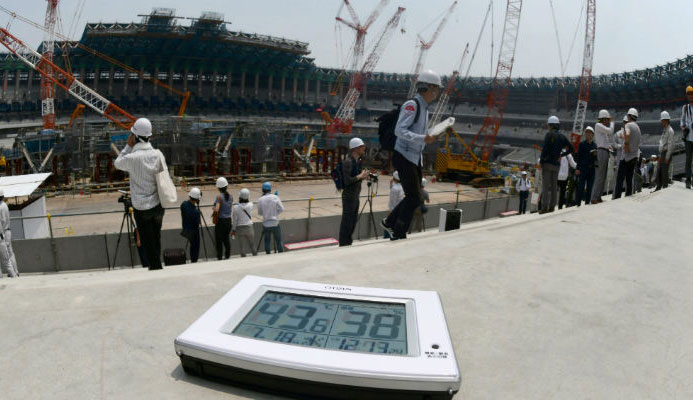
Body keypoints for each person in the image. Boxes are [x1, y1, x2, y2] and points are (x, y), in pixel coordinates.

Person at [381, 69, 441, 239]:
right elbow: (400, 130)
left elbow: (420, 132)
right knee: (414, 197)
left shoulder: (425, 108)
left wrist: (432, 135)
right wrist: (424, 138)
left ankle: (391, 224)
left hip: (414, 157)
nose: (437, 93)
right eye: (436, 88)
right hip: (404, 155)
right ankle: (397, 230)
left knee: (415, 196)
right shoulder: (413, 105)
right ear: (429, 87)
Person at [114, 117, 165, 270]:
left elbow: (117, 163)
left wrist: (128, 146)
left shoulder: (131, 158)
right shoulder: (157, 154)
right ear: (149, 136)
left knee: (147, 243)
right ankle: (158, 267)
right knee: (156, 239)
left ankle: (155, 270)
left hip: (141, 208)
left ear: (135, 137)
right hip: (158, 205)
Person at [338, 138, 369, 246]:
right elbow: (346, 181)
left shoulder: (357, 162)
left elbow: (355, 178)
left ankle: (348, 242)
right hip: (349, 196)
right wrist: (360, 176)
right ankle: (344, 243)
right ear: (356, 148)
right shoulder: (348, 162)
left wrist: (363, 177)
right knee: (347, 221)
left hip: (355, 196)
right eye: (362, 147)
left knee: (352, 221)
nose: (364, 149)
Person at [539, 116, 571, 213]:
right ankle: (552, 207)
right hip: (557, 165)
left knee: (545, 187)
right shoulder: (562, 137)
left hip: (547, 164)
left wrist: (541, 161)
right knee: (554, 186)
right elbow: (571, 149)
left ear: (550, 125)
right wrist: (562, 154)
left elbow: (544, 149)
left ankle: (544, 207)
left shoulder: (549, 135)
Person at [613, 108, 641, 199]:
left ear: (629, 116)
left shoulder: (628, 125)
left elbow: (628, 134)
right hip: (634, 157)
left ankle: (617, 197)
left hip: (626, 157)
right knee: (629, 179)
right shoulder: (637, 127)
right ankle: (628, 195)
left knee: (620, 179)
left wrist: (626, 144)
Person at [590, 110, 614, 204]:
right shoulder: (598, 125)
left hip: (605, 151)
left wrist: (609, 146)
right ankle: (594, 197)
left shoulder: (602, 128)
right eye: (607, 119)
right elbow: (611, 131)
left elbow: (604, 141)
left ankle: (598, 196)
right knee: (600, 176)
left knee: (603, 176)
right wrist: (612, 123)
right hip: (601, 152)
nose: (608, 121)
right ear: (603, 119)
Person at [257, 181, 284, 254]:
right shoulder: (275, 197)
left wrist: (266, 214)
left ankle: (268, 255)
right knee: (278, 241)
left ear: (263, 190)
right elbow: (281, 209)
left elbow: (260, 213)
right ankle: (281, 254)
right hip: (275, 223)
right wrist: (275, 213)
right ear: (270, 189)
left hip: (266, 224)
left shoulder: (260, 199)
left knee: (267, 241)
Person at [575, 126, 597, 207]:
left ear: (592, 134)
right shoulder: (582, 144)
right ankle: (578, 203)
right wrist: (578, 168)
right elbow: (579, 157)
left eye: (589, 132)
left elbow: (596, 159)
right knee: (580, 187)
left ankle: (587, 203)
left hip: (591, 169)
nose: (587, 134)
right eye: (586, 132)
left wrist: (595, 155)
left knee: (589, 187)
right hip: (583, 168)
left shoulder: (595, 145)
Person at [232, 188, 257, 257]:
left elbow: (234, 220)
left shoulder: (235, 207)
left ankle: (244, 261)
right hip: (249, 227)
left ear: (239, 196)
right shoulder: (251, 205)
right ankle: (256, 257)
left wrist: (233, 230)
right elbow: (249, 203)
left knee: (242, 248)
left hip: (240, 228)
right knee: (252, 245)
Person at [180, 187, 201, 263]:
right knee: (195, 246)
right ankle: (194, 260)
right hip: (193, 232)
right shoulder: (195, 212)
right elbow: (198, 223)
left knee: (192, 245)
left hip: (185, 230)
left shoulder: (183, 205)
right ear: (197, 199)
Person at [213, 177, 232, 260]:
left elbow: (217, 209)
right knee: (226, 239)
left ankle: (220, 256)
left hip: (221, 222)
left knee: (219, 241)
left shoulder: (219, 197)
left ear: (218, 187)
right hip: (228, 221)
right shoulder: (230, 197)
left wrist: (213, 208)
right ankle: (227, 255)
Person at [0, 189, 18, 278]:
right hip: (7, 231)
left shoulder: (1, 207)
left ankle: (13, 273)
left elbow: (2, 220)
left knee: (7, 254)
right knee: (10, 253)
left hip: (4, 232)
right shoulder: (4, 205)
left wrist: (1, 233)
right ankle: (15, 271)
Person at [655, 111, 675, 191]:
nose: (661, 122)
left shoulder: (670, 131)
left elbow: (670, 145)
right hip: (662, 153)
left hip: (666, 153)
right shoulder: (665, 129)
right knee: (659, 170)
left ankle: (665, 187)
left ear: (666, 120)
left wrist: (667, 157)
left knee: (664, 171)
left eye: (662, 120)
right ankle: (659, 187)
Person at [680, 85, 693, 189]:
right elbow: (682, 120)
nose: (690, 96)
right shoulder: (685, 108)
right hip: (688, 138)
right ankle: (688, 180)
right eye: (689, 94)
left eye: (691, 94)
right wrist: (683, 127)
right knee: (688, 160)